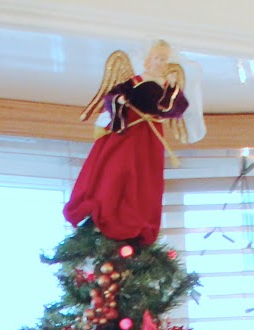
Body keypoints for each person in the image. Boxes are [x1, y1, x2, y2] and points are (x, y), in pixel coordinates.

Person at [64, 41, 205, 247]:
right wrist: (119, 101)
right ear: (149, 60)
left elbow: (177, 108)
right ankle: (110, 207)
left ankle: (135, 213)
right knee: (118, 167)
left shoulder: (167, 85)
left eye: (163, 59)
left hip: (150, 134)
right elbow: (112, 96)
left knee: (144, 174)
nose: (160, 62)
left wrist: (173, 89)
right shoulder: (136, 80)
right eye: (157, 58)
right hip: (130, 128)